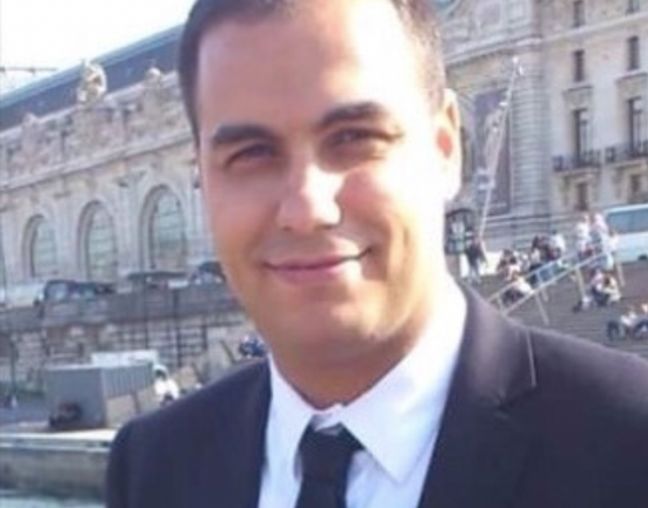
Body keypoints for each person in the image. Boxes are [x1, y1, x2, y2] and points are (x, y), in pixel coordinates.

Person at [106, 1, 648, 507]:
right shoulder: (153, 465)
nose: (307, 208)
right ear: (202, 179)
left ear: (445, 147)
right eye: (252, 154)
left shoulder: (629, 444)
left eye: (353, 138)